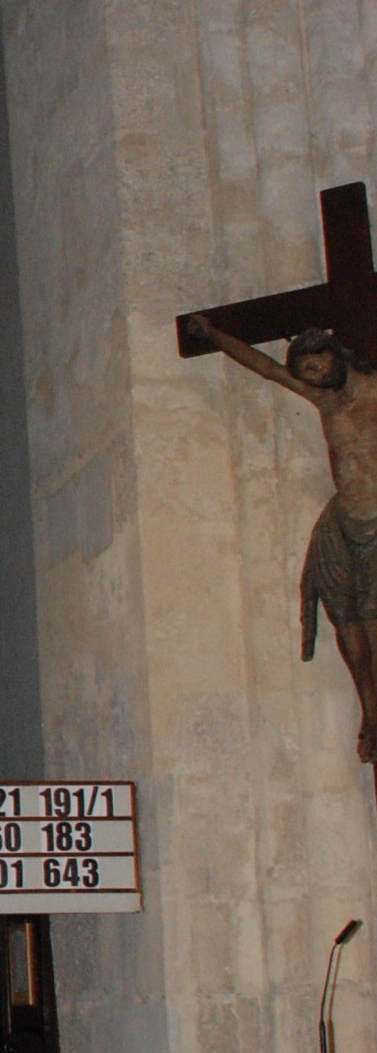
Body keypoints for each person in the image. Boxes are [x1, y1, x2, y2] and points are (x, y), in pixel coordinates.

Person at [189, 315, 377, 783]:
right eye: (307, 372)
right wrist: (213, 334)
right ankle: (370, 712)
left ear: (336, 354)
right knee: (348, 626)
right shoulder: (324, 401)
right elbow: (266, 368)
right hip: (343, 524)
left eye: (318, 366)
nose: (314, 378)